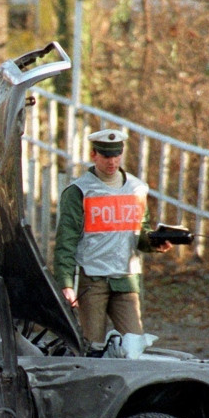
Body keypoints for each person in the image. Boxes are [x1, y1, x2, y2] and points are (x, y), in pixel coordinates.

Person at [53, 129, 173, 344]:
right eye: (107, 156)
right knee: (93, 346)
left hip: (126, 279)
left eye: (117, 155)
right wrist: (66, 283)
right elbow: (66, 241)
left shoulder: (137, 189)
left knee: (134, 345)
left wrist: (156, 242)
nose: (112, 161)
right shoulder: (79, 191)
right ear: (94, 155)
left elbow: (139, 232)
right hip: (92, 279)